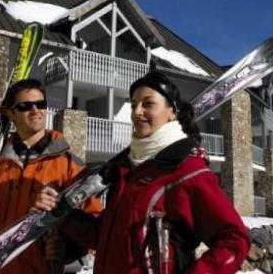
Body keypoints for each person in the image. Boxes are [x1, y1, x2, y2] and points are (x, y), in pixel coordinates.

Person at [36, 71, 251, 274]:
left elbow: (234, 240)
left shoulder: (189, 173)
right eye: (134, 105)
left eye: (148, 104)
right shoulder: (126, 171)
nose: (137, 112)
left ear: (171, 112)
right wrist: (62, 214)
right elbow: (105, 237)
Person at [0, 78, 103, 274]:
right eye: (25, 106)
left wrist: (67, 249)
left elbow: (93, 227)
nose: (36, 111)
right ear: (11, 113)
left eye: (40, 104)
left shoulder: (70, 166)